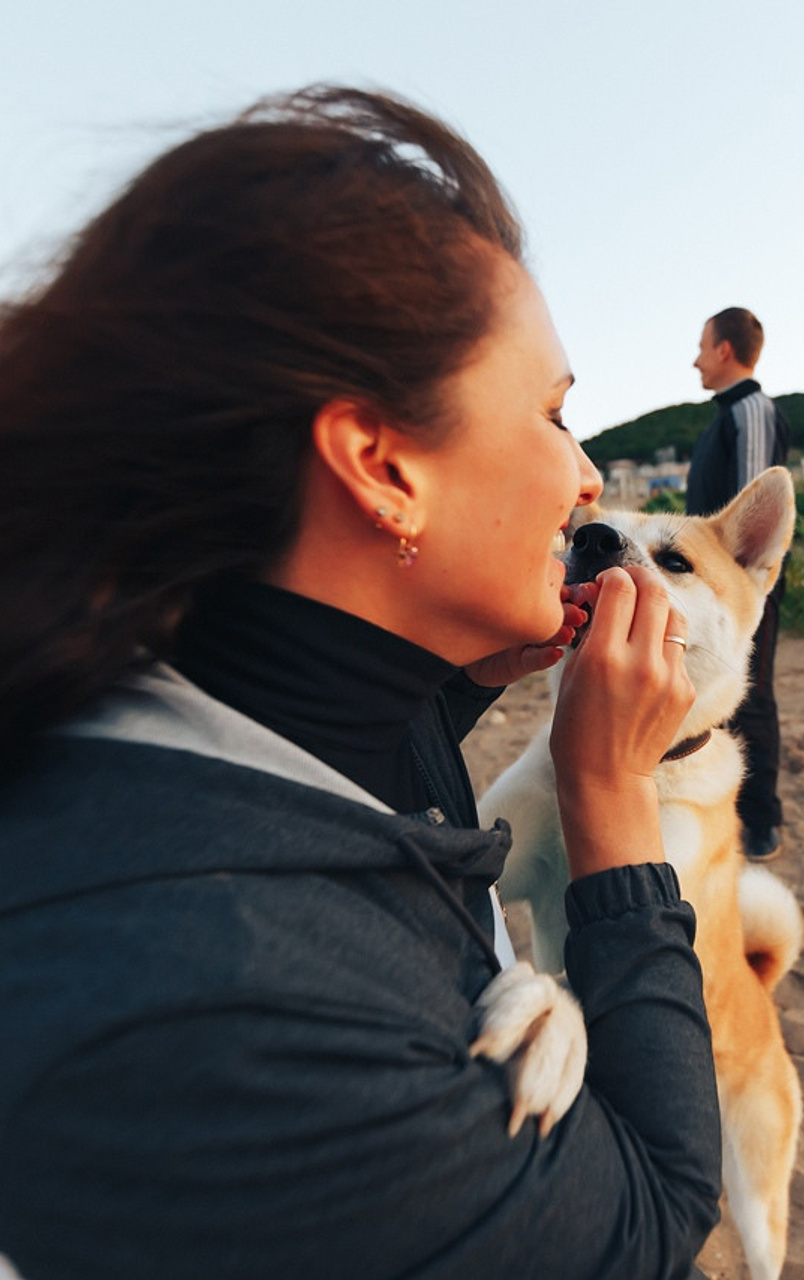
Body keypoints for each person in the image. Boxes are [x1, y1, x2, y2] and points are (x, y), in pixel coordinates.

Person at [0, 87, 722, 1279]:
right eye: (551, 414)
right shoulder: (231, 1010)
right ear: (382, 465)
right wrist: (607, 793)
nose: (587, 479)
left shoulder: (147, 690)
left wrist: (457, 674)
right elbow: (655, 1212)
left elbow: (318, 772)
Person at [685, 307, 789, 863]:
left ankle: (761, 822)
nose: (695, 359)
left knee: (750, 696)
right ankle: (723, 806)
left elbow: (749, 510)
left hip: (739, 589)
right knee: (715, 696)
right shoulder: (724, 417)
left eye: (702, 346)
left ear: (725, 351)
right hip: (708, 590)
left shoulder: (751, 410)